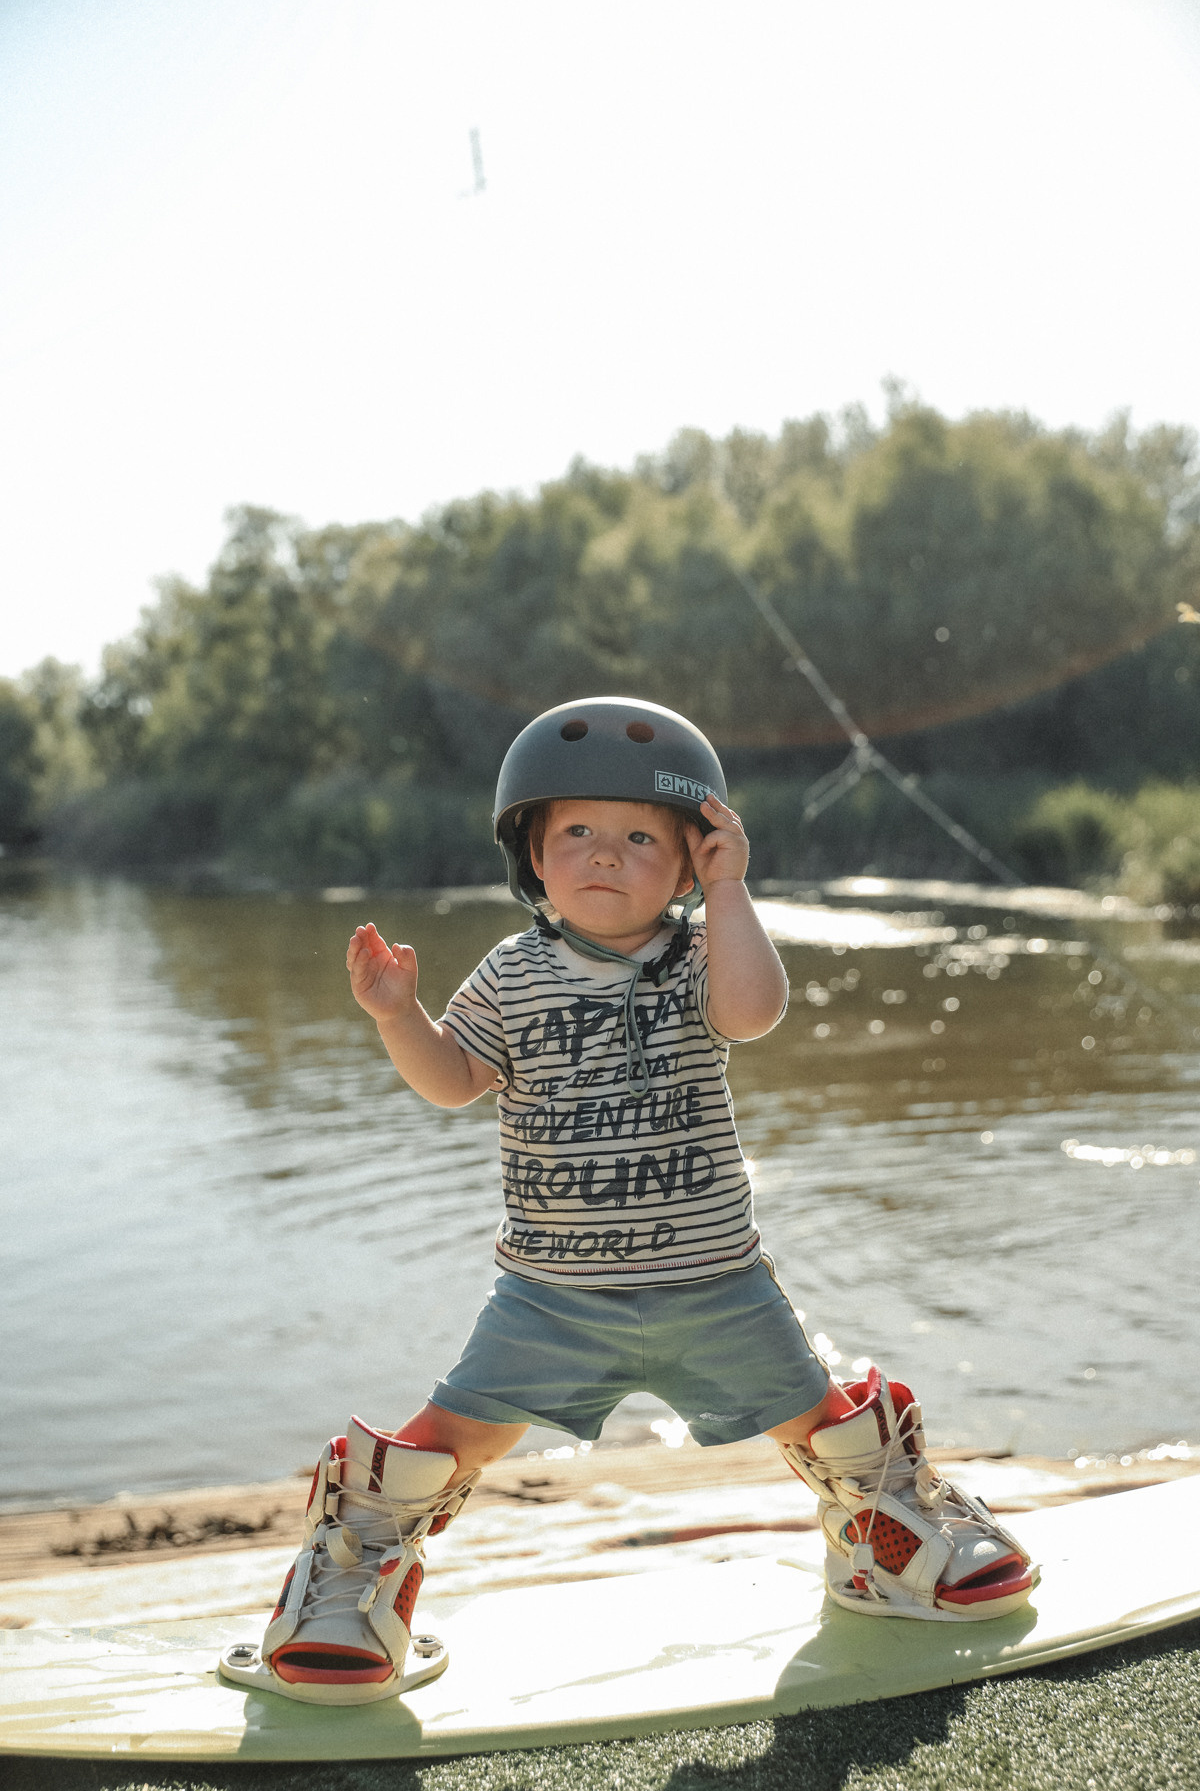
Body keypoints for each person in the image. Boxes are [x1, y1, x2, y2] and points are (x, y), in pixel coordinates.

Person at [222, 697, 1036, 1707]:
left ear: (692, 858)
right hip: (549, 1299)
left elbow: (755, 1010)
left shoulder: (700, 959)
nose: (606, 854)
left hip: (715, 1285)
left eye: (642, 837)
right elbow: (451, 1079)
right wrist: (400, 1017)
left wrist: (731, 893)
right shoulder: (511, 974)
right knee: (445, 1442)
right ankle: (353, 1577)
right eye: (577, 833)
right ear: (532, 849)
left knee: (823, 1423)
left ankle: (887, 1535)